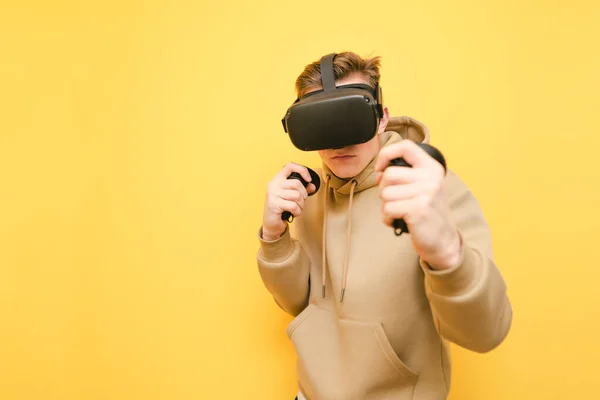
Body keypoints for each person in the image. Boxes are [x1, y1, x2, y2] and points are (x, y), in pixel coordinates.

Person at [256, 51, 512, 400]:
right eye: (323, 123)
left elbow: (486, 333)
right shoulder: (310, 194)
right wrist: (274, 238)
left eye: (351, 117)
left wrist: (448, 254)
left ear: (381, 118)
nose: (338, 142)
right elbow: (300, 302)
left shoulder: (429, 191)